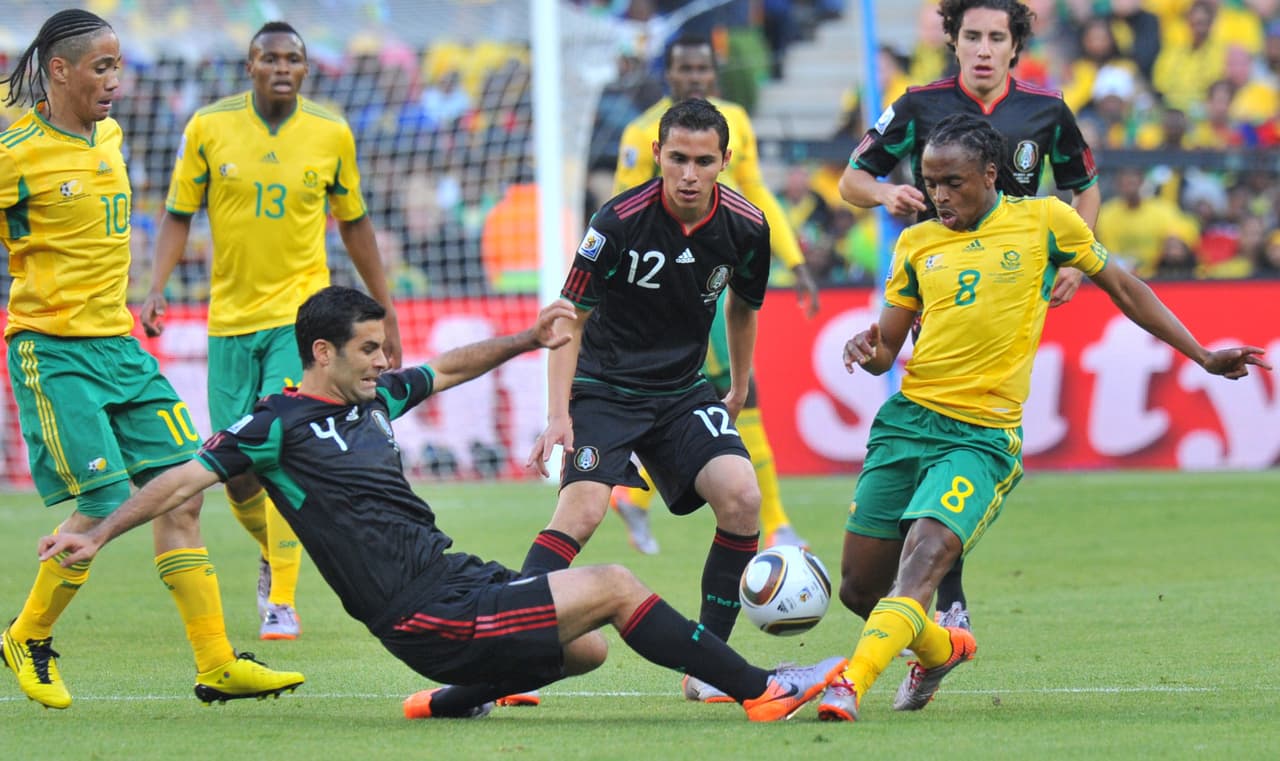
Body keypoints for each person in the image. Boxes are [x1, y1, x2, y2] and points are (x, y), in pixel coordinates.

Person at [37, 286, 849, 723]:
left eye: (382, 347)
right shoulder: (274, 425)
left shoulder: (374, 397)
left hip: (455, 584)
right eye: (365, 349)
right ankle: (762, 687)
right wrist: (100, 532)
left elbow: (451, 366)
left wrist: (527, 341)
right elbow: (183, 479)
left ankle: (453, 700)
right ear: (321, 352)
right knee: (614, 585)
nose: (382, 360)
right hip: (422, 614)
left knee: (591, 648)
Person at [815, 113, 1270, 722]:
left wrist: (1203, 354)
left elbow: (1125, 287)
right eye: (930, 182)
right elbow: (886, 353)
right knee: (860, 589)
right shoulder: (916, 243)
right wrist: (863, 350)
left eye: (953, 182)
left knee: (923, 557)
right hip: (906, 424)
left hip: (980, 437)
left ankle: (850, 684)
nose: (940, 195)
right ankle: (941, 648)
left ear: (991, 174)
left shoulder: (1044, 220)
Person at [0, 9, 303, 710]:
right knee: (104, 499)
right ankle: (27, 635)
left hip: (120, 347)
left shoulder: (109, 134)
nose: (115, 81)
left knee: (183, 487)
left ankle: (217, 662)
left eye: (118, 66)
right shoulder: (16, 152)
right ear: (60, 70)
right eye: (101, 68)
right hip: (53, 350)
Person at [837, 0, 1102, 633]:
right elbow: (852, 180)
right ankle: (945, 600)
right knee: (940, 420)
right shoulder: (916, 106)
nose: (983, 49)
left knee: (961, 425)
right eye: (972, 37)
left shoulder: (1045, 110)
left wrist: (1075, 259)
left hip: (1014, 276)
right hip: (939, 277)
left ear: (1015, 47)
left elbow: (1084, 185)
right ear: (953, 42)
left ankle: (939, 595)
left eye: (996, 38)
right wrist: (885, 191)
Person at [140, 21, 402, 641]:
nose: (282, 67)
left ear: (305, 69)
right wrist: (154, 286)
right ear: (250, 65)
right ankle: (274, 552)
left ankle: (281, 599)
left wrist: (384, 313)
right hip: (228, 322)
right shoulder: (208, 127)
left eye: (293, 59)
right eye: (270, 58)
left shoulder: (331, 132)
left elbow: (356, 225)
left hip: (300, 321)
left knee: (282, 450)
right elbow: (178, 215)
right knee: (236, 471)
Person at [524, 98, 769, 704]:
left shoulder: (747, 225)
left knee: (741, 497)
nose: (689, 173)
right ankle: (503, 650)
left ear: (724, 161)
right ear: (657, 154)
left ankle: (709, 664)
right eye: (678, 158)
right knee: (580, 513)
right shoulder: (617, 220)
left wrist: (738, 384)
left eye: (703, 161)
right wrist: (559, 415)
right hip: (604, 388)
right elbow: (568, 320)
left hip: (683, 391)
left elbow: (743, 305)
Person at [610, 35, 818, 556]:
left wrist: (792, 257)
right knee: (729, 398)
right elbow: (619, 211)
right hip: (666, 291)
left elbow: (758, 190)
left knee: (708, 400)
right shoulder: (642, 133)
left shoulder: (735, 123)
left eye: (703, 69)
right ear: (670, 75)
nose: (695, 78)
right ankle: (776, 524)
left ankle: (634, 499)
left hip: (719, 275)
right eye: (685, 69)